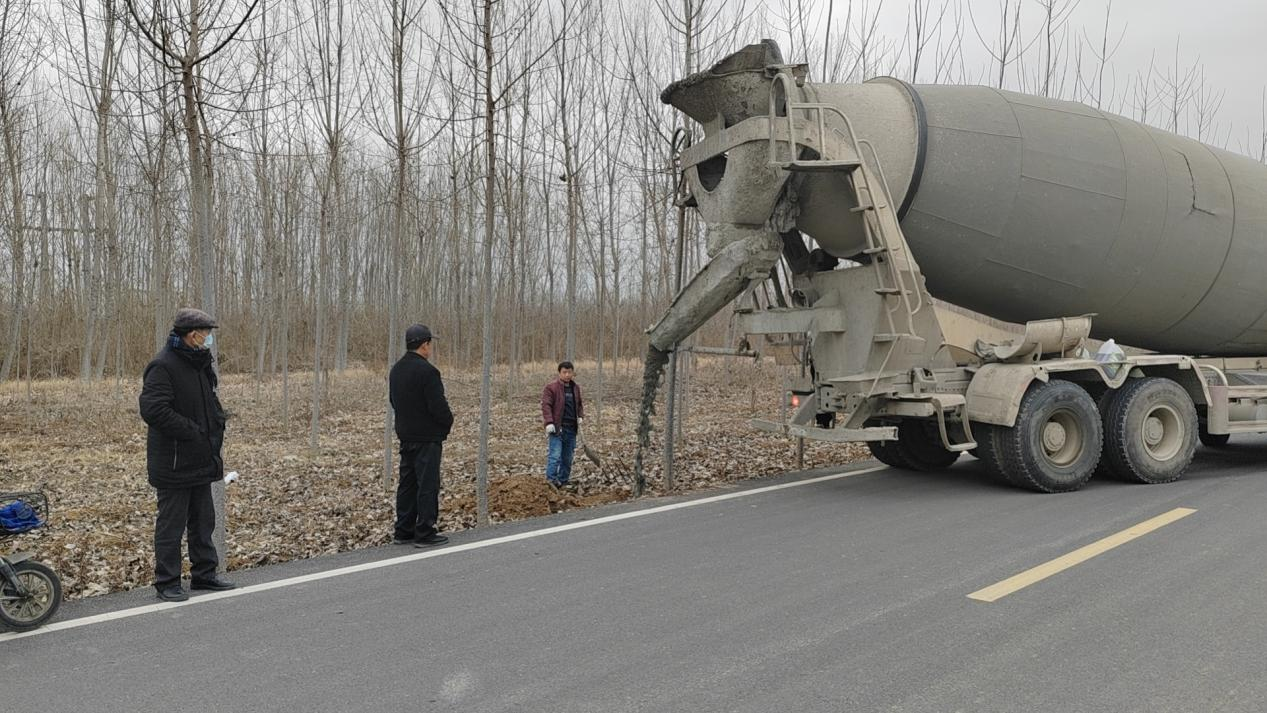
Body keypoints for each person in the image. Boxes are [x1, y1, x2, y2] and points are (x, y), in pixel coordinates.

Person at [139, 308, 237, 602]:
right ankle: (167, 582)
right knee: (171, 525)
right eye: (206, 333)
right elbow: (153, 410)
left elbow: (207, 400)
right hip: (174, 461)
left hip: (200, 457)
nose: (209, 339)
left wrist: (217, 419)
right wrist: (192, 431)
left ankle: (204, 575)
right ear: (192, 334)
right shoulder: (163, 365)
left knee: (202, 520)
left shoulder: (200, 362)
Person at [389, 324, 454, 547]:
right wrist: (447, 423)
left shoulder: (396, 370)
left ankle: (403, 530)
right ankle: (425, 531)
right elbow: (438, 406)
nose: (431, 348)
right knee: (427, 484)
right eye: (430, 344)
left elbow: (393, 402)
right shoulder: (428, 371)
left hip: (406, 435)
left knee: (407, 484)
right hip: (427, 438)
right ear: (424, 345)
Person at [541, 361, 584, 488]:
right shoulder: (551, 388)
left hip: (571, 428)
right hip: (557, 428)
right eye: (564, 372)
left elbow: (579, 404)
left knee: (567, 458)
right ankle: (551, 481)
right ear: (559, 373)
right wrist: (549, 422)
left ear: (573, 373)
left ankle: (563, 481)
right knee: (555, 456)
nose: (567, 375)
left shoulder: (575, 388)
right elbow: (546, 405)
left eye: (569, 372)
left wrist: (580, 416)